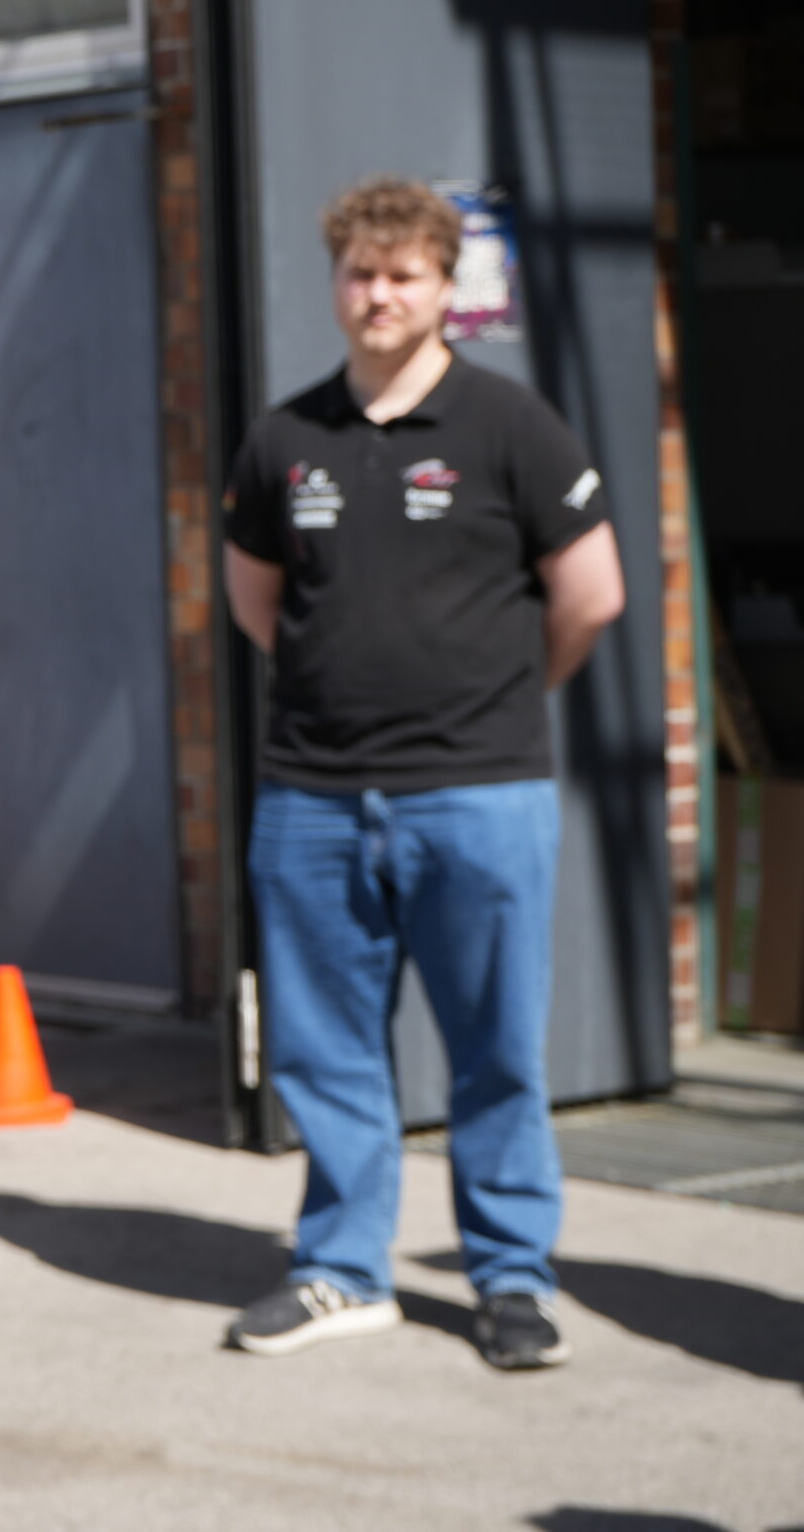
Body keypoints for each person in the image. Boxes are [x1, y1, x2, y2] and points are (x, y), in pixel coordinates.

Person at [219, 177, 626, 1370]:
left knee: (495, 1047)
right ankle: (343, 1270)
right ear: (335, 285)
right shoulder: (283, 440)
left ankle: (511, 1279)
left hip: (478, 794)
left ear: (446, 287)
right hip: (312, 798)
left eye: (403, 275)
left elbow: (592, 595)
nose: (379, 296)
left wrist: (498, 704)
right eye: (360, 273)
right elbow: (256, 605)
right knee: (322, 1050)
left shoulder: (512, 427)